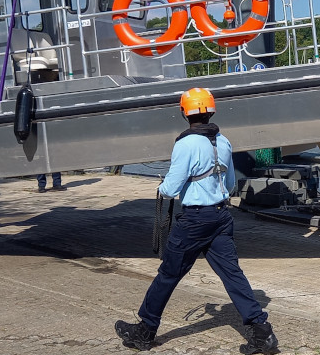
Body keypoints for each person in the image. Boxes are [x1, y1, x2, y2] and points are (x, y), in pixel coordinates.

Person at [115, 88, 277, 354]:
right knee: (232, 274)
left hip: (195, 220)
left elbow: (171, 189)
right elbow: (230, 183)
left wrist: (163, 187)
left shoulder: (186, 144)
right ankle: (262, 333)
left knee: (168, 274)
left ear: (184, 113)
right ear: (211, 111)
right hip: (221, 216)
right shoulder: (223, 141)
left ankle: (144, 330)